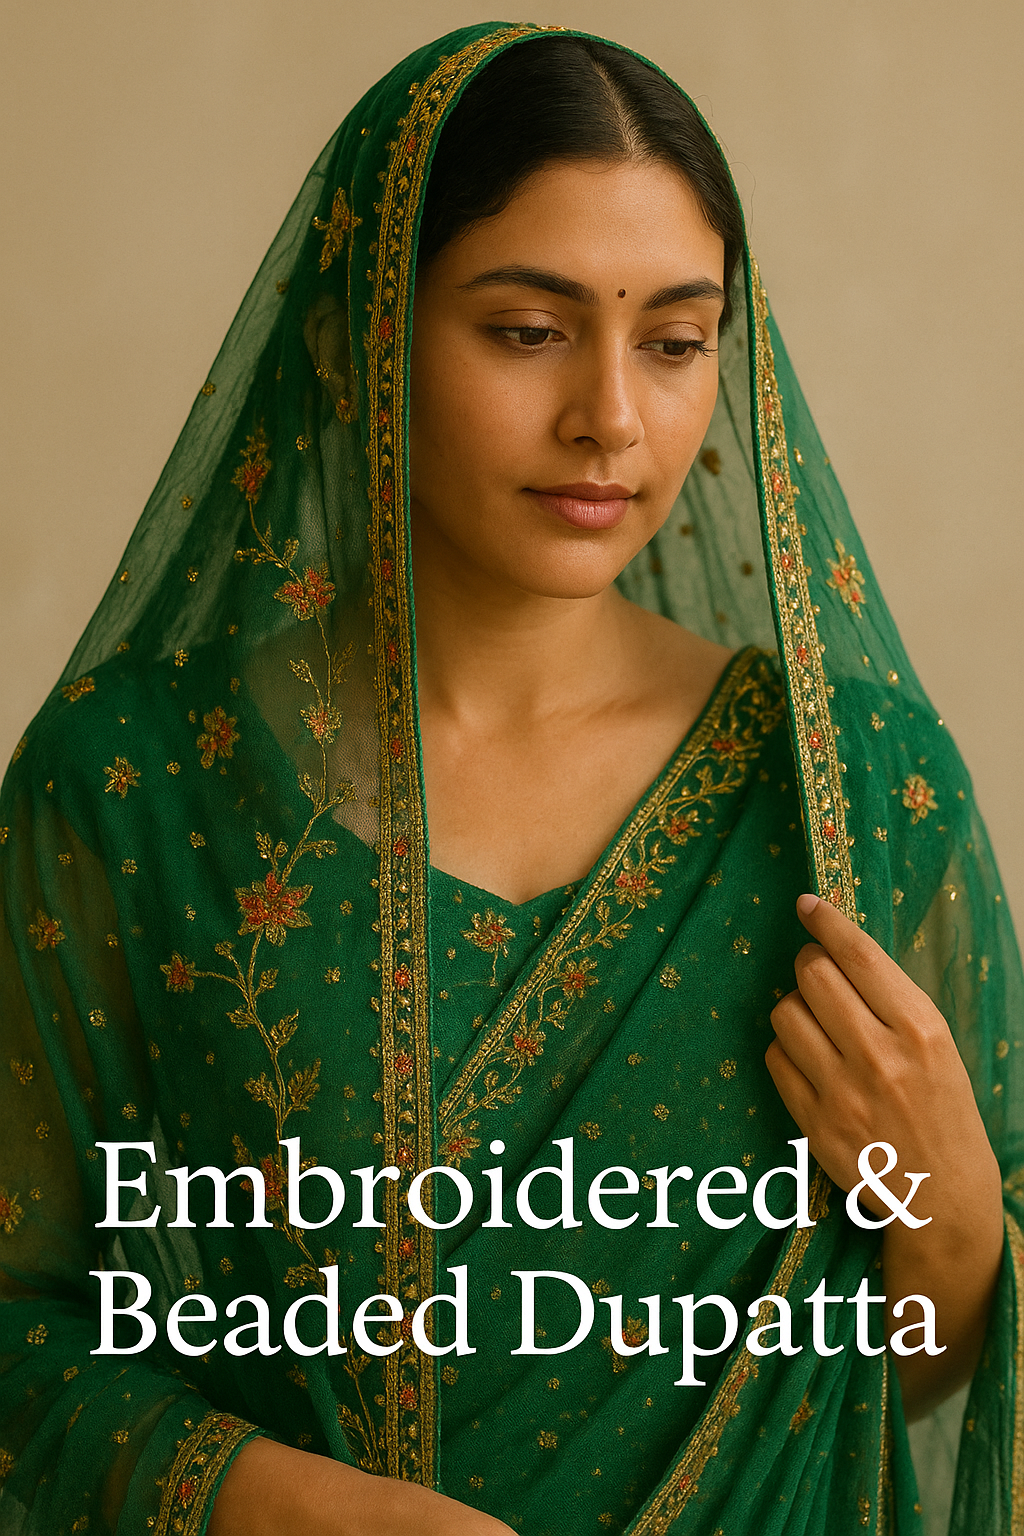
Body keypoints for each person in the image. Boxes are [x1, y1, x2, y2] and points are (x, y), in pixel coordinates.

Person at [0, 21, 1020, 1536]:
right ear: (354, 338)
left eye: (676, 341)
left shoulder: (852, 790)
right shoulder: (137, 785)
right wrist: (275, 1503)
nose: (613, 415)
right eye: (528, 331)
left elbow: (907, 1382)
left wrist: (951, 1216)